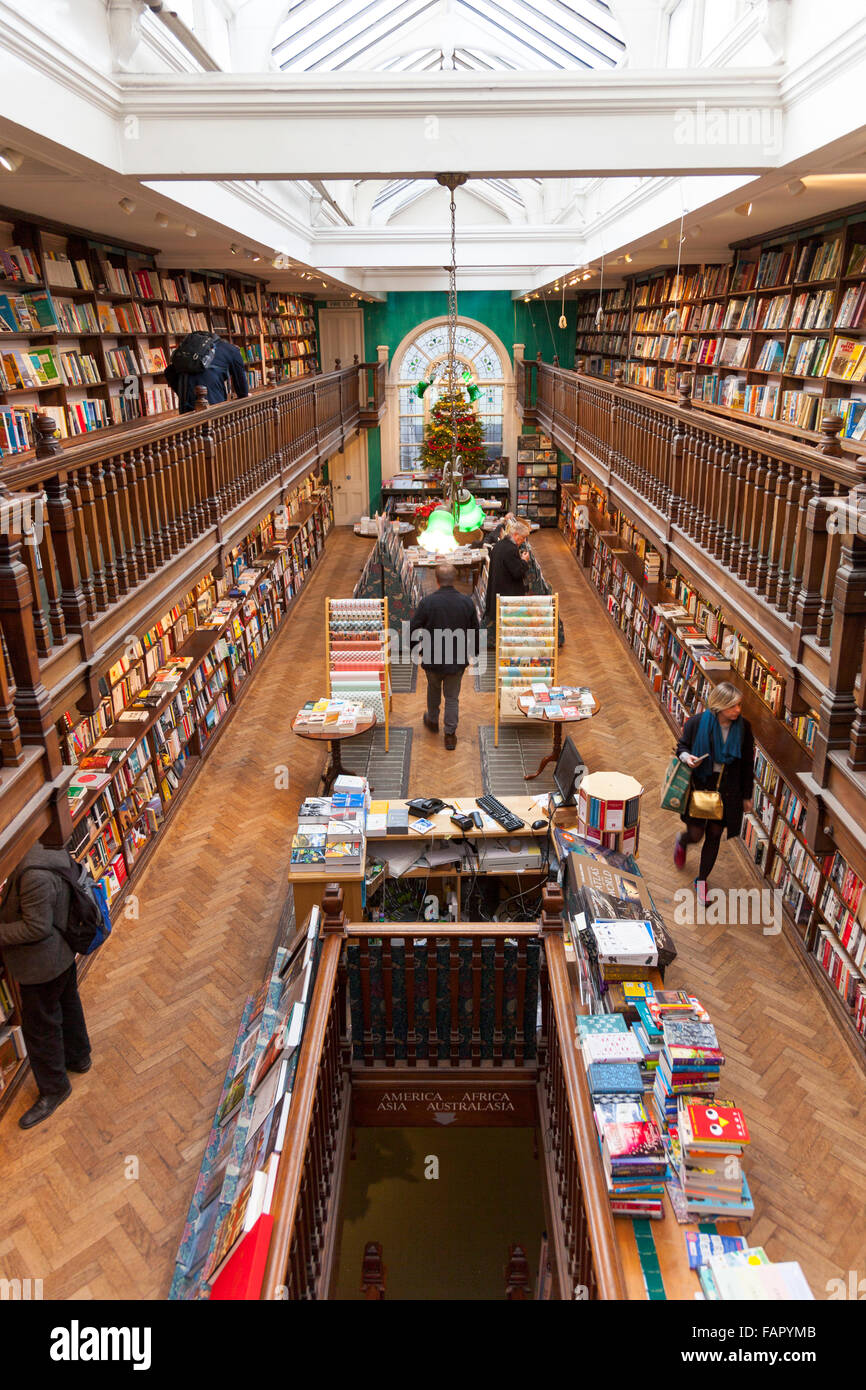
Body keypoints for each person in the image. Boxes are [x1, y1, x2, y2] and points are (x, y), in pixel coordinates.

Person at [0, 844, 92, 1129]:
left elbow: (36, 927)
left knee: (40, 1028)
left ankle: (54, 1089)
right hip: (63, 952)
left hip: (43, 965)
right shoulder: (44, 845)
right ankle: (79, 1057)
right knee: (68, 1003)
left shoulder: (33, 876)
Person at [673, 682, 754, 904]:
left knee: (715, 835)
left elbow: (748, 764)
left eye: (739, 705)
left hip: (728, 792)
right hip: (700, 787)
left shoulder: (744, 728)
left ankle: (702, 880)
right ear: (719, 706)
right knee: (697, 834)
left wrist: (747, 795)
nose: (737, 710)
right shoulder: (698, 723)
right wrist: (687, 758)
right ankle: (683, 840)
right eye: (732, 706)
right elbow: (682, 747)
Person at [410, 562, 479, 750]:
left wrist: (418, 651)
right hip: (457, 659)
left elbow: (414, 629)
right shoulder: (467, 602)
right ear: (454, 580)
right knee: (452, 696)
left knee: (433, 689)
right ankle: (450, 735)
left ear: (437, 580)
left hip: (432, 658)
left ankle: (432, 720)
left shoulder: (427, 603)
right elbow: (475, 631)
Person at [164, 335, 250, 413]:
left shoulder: (195, 350)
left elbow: (169, 371)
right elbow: (243, 391)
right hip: (213, 405)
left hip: (186, 405)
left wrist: (182, 391)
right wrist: (245, 395)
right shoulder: (233, 351)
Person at [484, 518, 530, 621]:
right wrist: (524, 561)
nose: (524, 541)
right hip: (507, 598)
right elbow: (517, 572)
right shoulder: (511, 549)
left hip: (498, 594)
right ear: (516, 535)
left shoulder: (499, 545)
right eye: (523, 538)